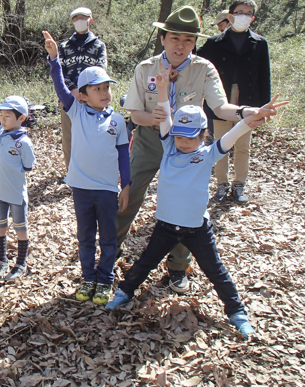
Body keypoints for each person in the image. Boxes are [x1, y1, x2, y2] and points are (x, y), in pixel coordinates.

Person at [105, 66, 287, 339]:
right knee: (145, 262)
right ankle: (124, 292)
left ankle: (237, 313)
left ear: (203, 135)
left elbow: (235, 133)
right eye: (179, 136)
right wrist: (164, 89)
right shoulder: (168, 147)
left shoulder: (208, 154)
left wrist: (253, 116)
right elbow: (165, 115)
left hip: (197, 229)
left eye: (190, 138)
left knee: (217, 272)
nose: (183, 142)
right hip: (166, 227)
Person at [117, 5, 268, 294]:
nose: (181, 45)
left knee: (187, 205)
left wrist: (248, 111)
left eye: (188, 40)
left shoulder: (204, 69)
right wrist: (155, 118)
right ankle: (113, 247)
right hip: (150, 140)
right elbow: (135, 114)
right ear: (163, 38)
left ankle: (177, 268)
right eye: (175, 38)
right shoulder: (146, 68)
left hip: (189, 146)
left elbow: (221, 107)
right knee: (130, 192)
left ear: (194, 42)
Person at [44, 30, 130, 304]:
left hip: (106, 189)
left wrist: (125, 186)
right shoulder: (75, 110)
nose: (104, 93)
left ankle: (105, 279)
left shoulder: (117, 120)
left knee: (107, 237)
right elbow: (59, 86)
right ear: (82, 95)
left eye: (107, 88)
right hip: (81, 188)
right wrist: (54, 59)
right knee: (85, 237)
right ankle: (88, 277)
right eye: (97, 89)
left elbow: (124, 158)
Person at [198, 0, 271, 204]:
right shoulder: (214, 43)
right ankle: (222, 184)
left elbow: (264, 76)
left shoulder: (259, 43)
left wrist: (264, 107)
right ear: (230, 16)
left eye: (248, 13)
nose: (244, 16)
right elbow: (197, 62)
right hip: (220, 99)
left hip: (249, 99)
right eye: (240, 12)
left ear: (253, 18)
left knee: (242, 145)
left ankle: (239, 184)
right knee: (221, 143)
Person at [0, 63, 35, 282]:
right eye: (1, 116)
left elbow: (27, 167)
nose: (2, 120)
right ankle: (3, 261)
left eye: (7, 117)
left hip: (15, 194)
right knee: (0, 227)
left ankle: (20, 263)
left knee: (20, 229)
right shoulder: (0, 132)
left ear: (21, 118)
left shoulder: (23, 143)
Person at [58, 7, 108, 170]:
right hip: (69, 98)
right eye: (76, 18)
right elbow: (60, 71)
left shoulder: (99, 45)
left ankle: (92, 169)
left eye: (83, 17)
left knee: (94, 135)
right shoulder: (64, 46)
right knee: (69, 137)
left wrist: (86, 92)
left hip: (93, 99)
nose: (79, 20)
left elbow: (101, 71)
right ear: (72, 22)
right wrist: (73, 90)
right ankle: (71, 171)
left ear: (90, 20)